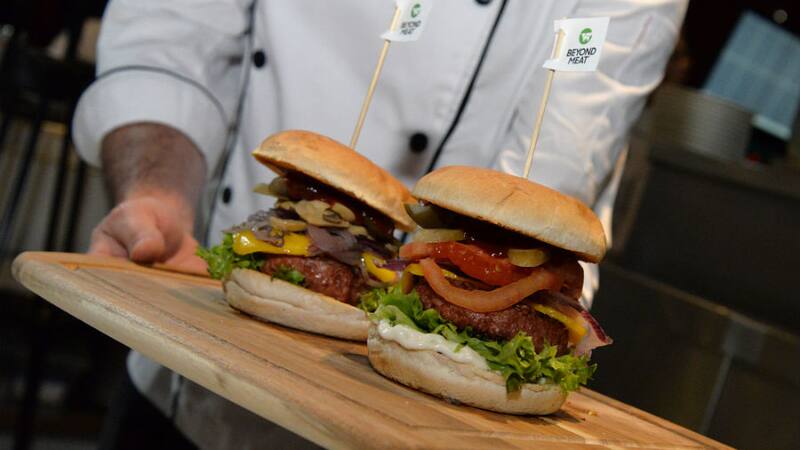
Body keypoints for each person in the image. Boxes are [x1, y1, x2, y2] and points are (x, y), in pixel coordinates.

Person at [72, 1, 687, 448]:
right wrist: (157, 192)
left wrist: (469, 284)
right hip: (191, 356)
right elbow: (173, 27)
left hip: (419, 430)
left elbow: (562, 149)